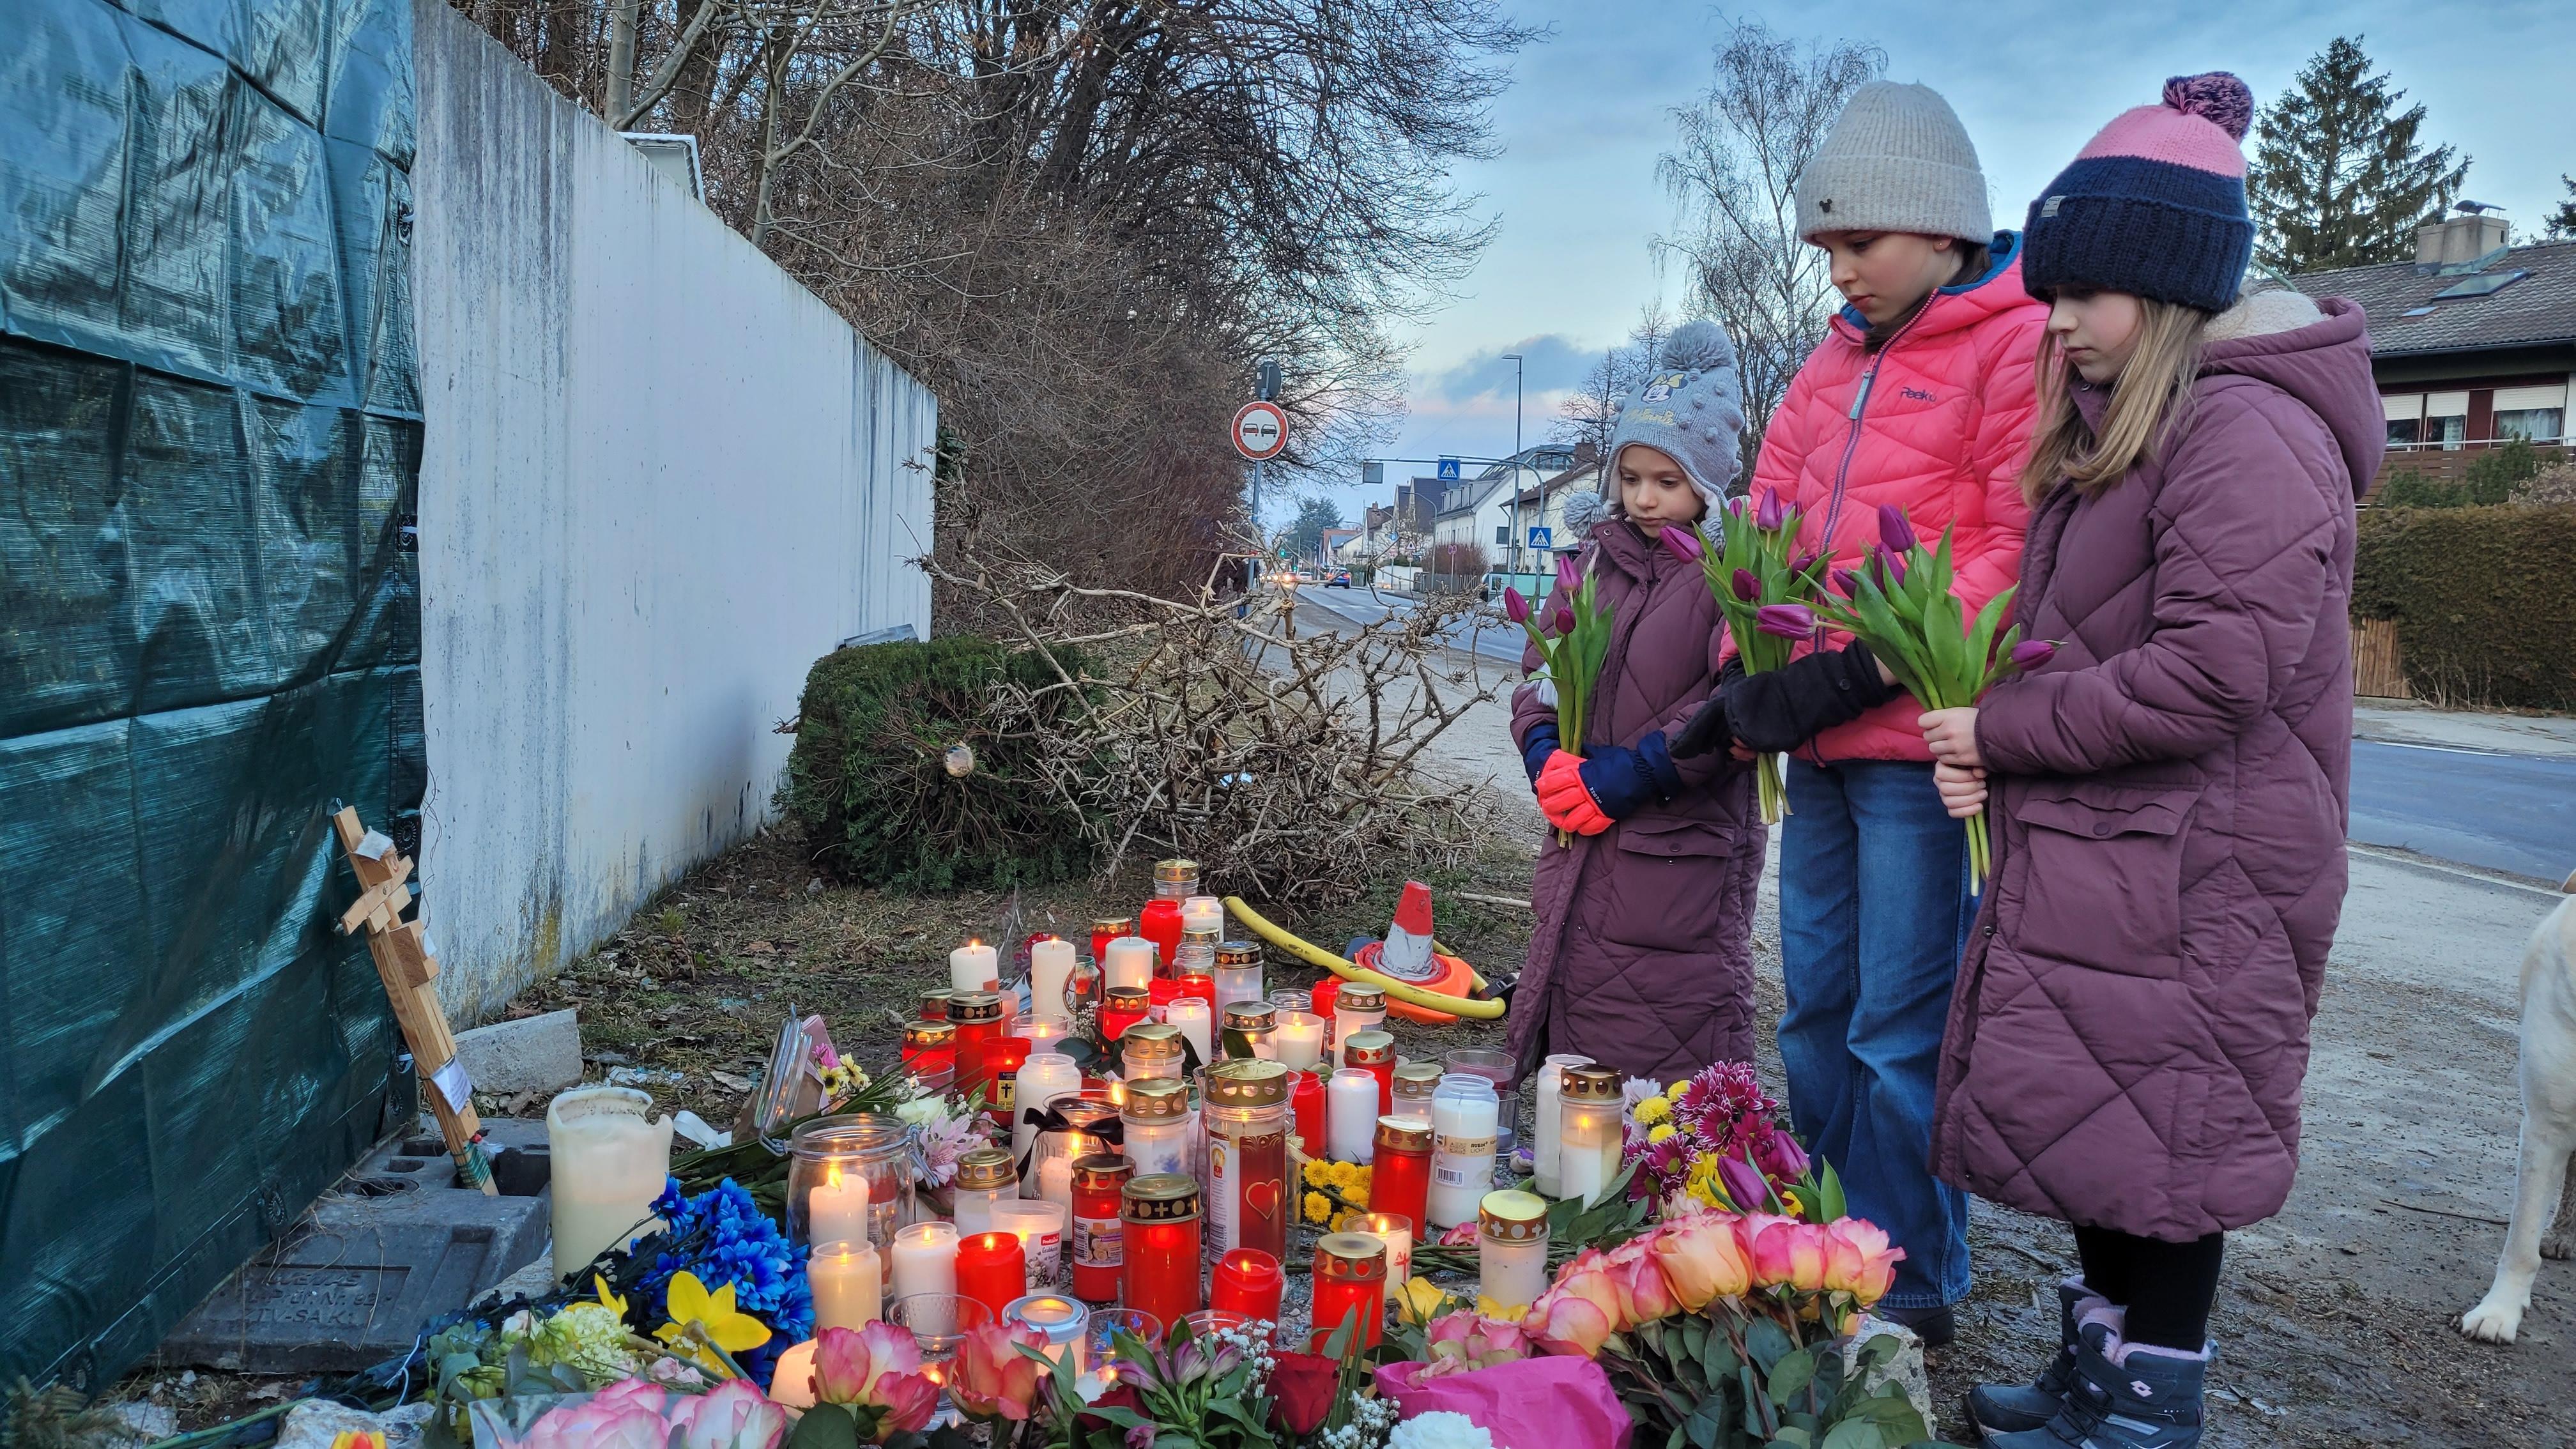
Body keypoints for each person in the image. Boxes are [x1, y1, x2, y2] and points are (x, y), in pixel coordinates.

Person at [1920, 75, 2382, 1449]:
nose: (2053, 320)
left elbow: (2212, 673)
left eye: (2085, 295)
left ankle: (2144, 1411)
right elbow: (2082, 646)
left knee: (2168, 1151)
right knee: (2109, 1133)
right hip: (2131, 859)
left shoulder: (2248, 431)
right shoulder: (2143, 427)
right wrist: (2003, 750)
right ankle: (2096, 1374)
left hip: (2206, 874)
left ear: (2170, 289)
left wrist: (2000, 734)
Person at [1696, 79, 2048, 1344]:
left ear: (1945, 227)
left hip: (1916, 749)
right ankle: (1828, 1232)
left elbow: (2010, 551)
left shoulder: (2016, 347)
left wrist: (1863, 665)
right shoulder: (1828, 361)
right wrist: (1750, 674)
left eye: (1859, 243)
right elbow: (1770, 529)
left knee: (1903, 1027)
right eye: (1826, 250)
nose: (1838, 272)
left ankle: (1905, 1278)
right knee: (1814, 1012)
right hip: (1824, 749)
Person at [1506, 321, 1765, 1083]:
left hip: (1677, 843)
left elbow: (1735, 700)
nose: (1645, 499)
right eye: (1631, 478)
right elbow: (1540, 667)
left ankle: (1673, 1170)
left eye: (1668, 481)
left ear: (1709, 485)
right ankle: (1572, 1161)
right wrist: (1543, 752)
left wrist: (1633, 773)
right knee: (1575, 993)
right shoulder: (1591, 563)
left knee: (1663, 1027)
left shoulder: (1733, 574)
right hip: (1579, 830)